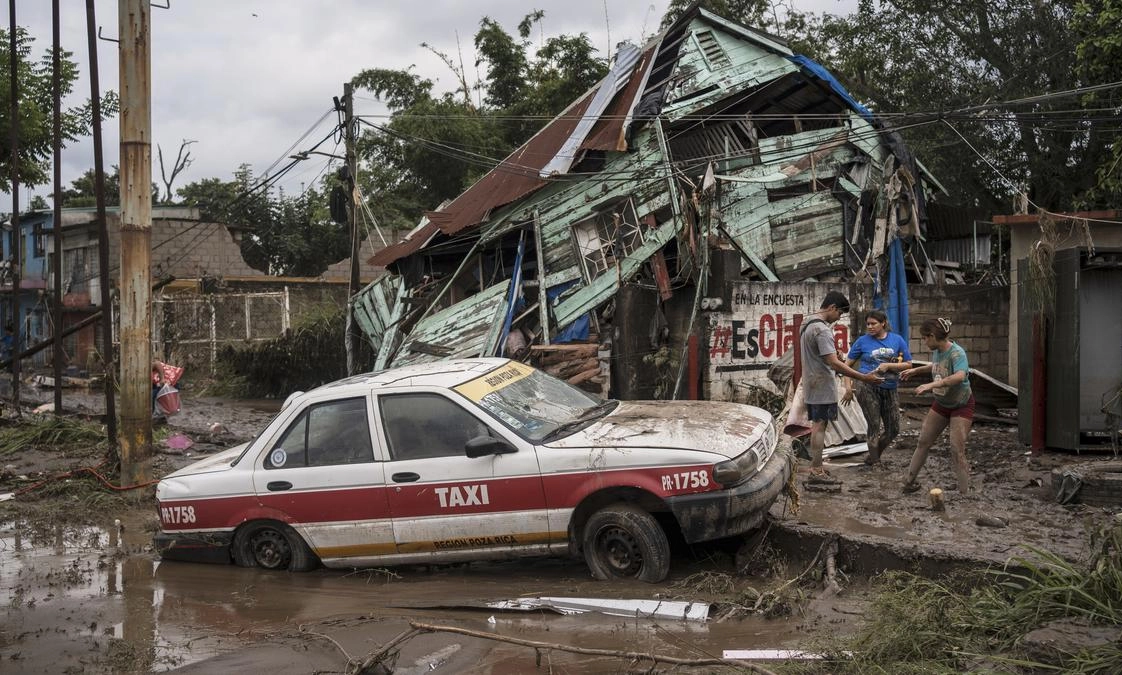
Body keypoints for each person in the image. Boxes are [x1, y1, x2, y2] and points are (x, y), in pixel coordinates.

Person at [799, 291, 882, 477]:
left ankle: (816, 465)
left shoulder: (806, 324)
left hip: (811, 382)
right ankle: (817, 468)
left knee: (817, 424)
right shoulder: (822, 330)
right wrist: (863, 377)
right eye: (839, 314)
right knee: (820, 425)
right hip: (822, 385)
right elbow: (834, 363)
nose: (838, 318)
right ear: (832, 308)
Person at [900, 317, 974, 494]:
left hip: (961, 405)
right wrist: (917, 370)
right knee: (923, 441)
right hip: (942, 403)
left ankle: (965, 492)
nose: (924, 341)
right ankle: (909, 482)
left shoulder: (957, 353)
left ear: (932, 336)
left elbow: (960, 376)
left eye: (925, 338)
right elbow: (937, 366)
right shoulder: (938, 351)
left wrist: (931, 385)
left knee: (956, 449)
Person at [842, 309, 913, 465]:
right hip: (866, 386)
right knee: (874, 425)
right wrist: (848, 388)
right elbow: (846, 366)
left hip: (890, 387)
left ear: (883, 323)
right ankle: (875, 463)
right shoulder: (862, 341)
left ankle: (873, 456)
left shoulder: (897, 340)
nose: (870, 327)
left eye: (873, 323)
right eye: (868, 324)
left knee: (893, 429)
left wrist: (888, 365)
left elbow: (909, 364)